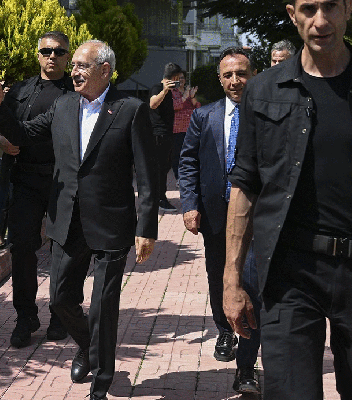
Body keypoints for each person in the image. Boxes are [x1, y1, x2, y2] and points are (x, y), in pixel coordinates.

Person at [223, 0, 352, 399]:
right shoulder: (264, 90)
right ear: (292, 13)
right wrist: (232, 278)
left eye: (331, 6)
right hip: (290, 273)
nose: (320, 21)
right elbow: (245, 186)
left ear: (348, 9)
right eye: (309, 8)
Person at [0, 40, 158, 400]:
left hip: (110, 223)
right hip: (66, 220)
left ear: (105, 70)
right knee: (61, 300)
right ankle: (89, 347)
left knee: (104, 306)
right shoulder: (63, 105)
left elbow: (147, 173)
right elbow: (24, 134)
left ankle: (101, 383)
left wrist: (147, 227)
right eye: (73, 64)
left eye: (81, 65)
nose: (73, 71)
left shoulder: (130, 109)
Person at [178, 47, 260, 395]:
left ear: (253, 75)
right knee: (218, 277)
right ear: (220, 79)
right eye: (228, 75)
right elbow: (188, 163)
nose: (235, 80)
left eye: (241, 73)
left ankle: (246, 368)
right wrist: (189, 204)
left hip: (255, 217)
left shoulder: (266, 115)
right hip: (215, 215)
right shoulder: (204, 116)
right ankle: (224, 329)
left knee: (250, 284)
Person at [0, 30, 74, 348]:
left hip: (64, 180)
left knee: (63, 250)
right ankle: (25, 317)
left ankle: (61, 315)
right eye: (46, 51)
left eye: (59, 51)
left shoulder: (77, 90)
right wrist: (0, 140)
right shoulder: (20, 90)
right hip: (25, 179)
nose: (52, 56)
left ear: (68, 56)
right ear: (38, 54)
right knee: (21, 248)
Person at [149, 62, 182, 212]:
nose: (179, 81)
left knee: (164, 167)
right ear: (174, 77)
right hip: (159, 135)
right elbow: (152, 104)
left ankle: (159, 197)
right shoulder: (157, 88)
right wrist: (164, 91)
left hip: (167, 134)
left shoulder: (170, 92)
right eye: (178, 78)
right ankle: (159, 199)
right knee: (160, 169)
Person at [170, 68, 200, 181]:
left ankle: (190, 176)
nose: (181, 80)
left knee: (191, 153)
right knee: (177, 155)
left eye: (182, 78)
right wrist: (184, 97)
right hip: (177, 129)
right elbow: (174, 106)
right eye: (178, 78)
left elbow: (197, 107)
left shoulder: (189, 91)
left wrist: (192, 96)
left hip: (190, 128)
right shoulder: (172, 92)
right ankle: (178, 178)